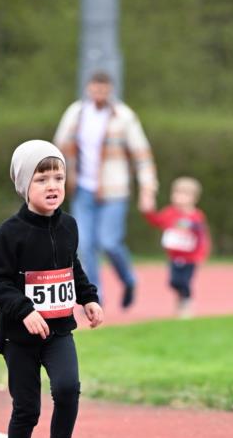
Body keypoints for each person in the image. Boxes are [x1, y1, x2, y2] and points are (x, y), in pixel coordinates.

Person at [0, 140, 103, 438]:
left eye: (58, 178)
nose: (52, 186)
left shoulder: (69, 226)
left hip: (59, 331)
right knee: (27, 407)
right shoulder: (9, 233)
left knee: (67, 389)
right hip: (20, 338)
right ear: (24, 185)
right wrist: (25, 311)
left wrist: (88, 297)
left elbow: (72, 266)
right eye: (42, 179)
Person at [53, 72, 158, 308]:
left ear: (110, 90)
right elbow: (58, 147)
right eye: (95, 88)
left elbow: (142, 155)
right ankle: (95, 297)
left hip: (114, 190)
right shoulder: (76, 113)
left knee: (109, 242)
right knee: (84, 244)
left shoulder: (124, 116)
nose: (99, 93)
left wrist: (148, 189)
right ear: (88, 89)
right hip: (82, 189)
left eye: (103, 89)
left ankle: (128, 279)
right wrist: (56, 180)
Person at [143, 177, 211, 317]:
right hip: (174, 257)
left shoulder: (196, 217)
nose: (178, 197)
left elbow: (201, 237)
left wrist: (201, 254)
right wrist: (148, 209)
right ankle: (181, 298)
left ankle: (186, 302)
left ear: (194, 198)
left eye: (183, 194)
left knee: (184, 281)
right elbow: (156, 220)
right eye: (176, 193)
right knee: (173, 282)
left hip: (190, 258)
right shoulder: (170, 213)